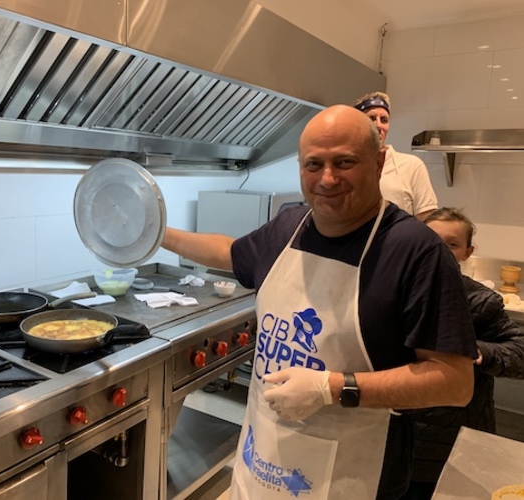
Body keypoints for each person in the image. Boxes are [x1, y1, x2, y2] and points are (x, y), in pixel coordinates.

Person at [162, 105, 476, 499]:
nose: (327, 179)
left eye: (345, 162)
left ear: (378, 163)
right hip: (261, 463)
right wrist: (157, 232)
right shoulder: (288, 227)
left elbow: (454, 381)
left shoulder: (416, 252)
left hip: (354, 476)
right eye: (314, 164)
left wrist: (332, 388)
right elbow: (229, 251)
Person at [403, 207, 524, 500]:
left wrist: (478, 351)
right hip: (399, 426)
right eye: (431, 240)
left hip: (456, 431)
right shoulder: (395, 289)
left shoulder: (480, 301)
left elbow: (519, 350)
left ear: (468, 252)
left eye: (452, 244)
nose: (440, 250)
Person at [354, 91, 438, 221]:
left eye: (384, 120)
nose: (379, 125)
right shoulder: (347, 166)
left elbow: (427, 218)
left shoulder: (411, 166)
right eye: (372, 118)